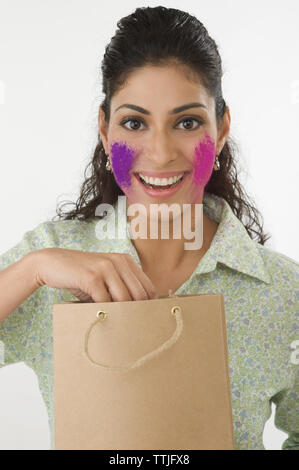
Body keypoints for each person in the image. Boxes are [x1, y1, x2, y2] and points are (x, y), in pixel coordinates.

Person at [0, 6, 298, 451]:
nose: (159, 154)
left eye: (188, 122)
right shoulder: (47, 263)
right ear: (105, 130)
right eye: (134, 123)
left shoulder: (284, 294)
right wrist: (33, 270)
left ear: (220, 131)